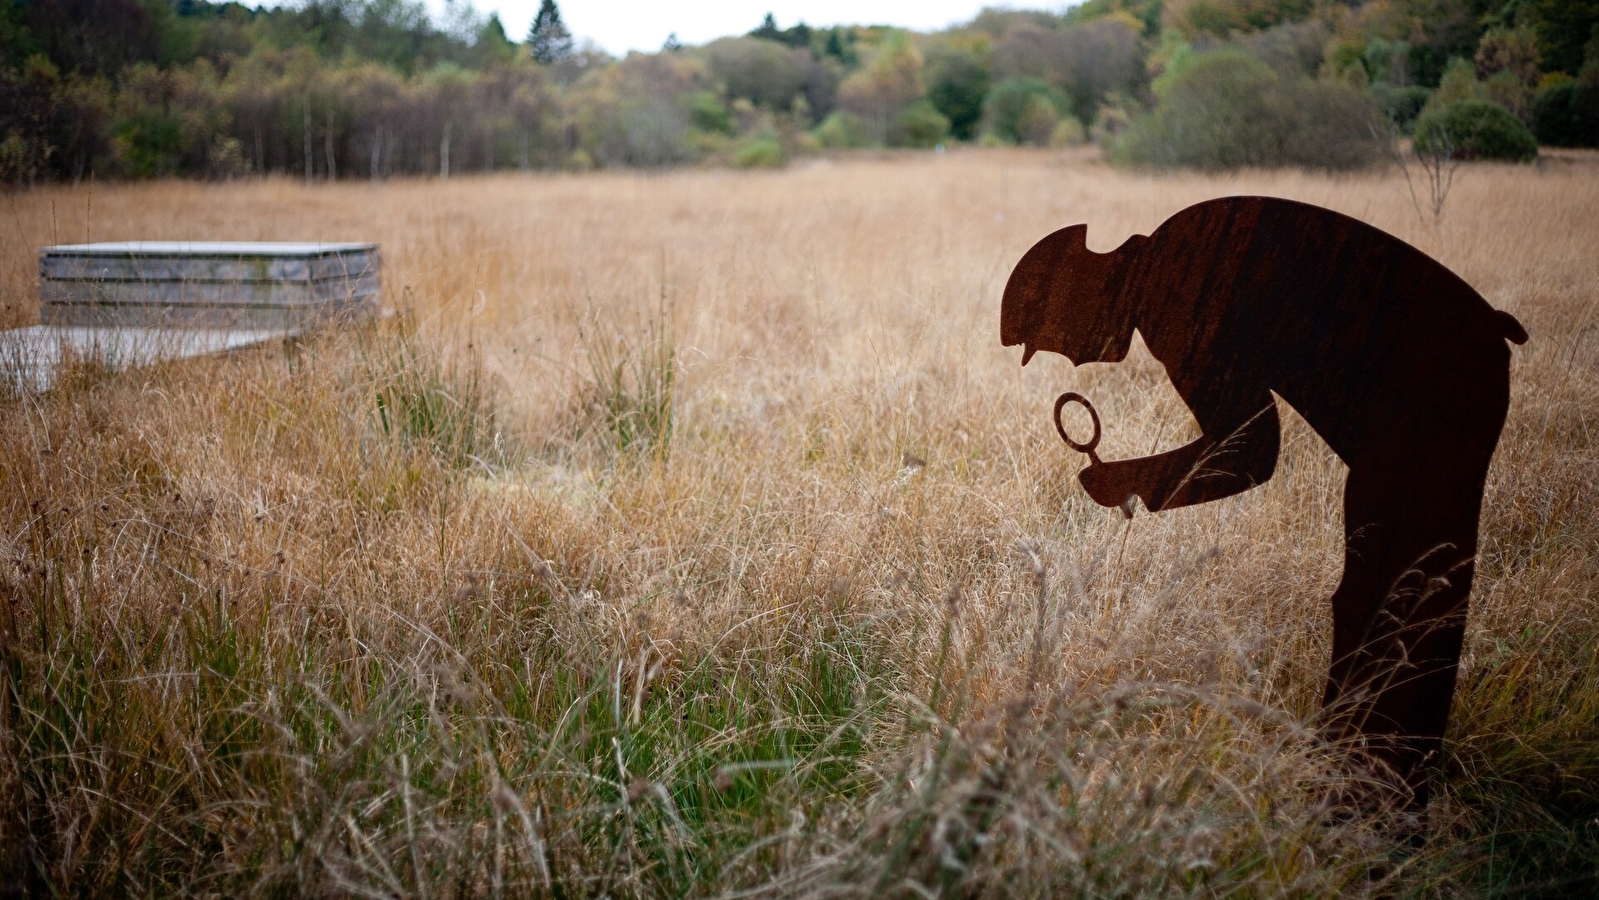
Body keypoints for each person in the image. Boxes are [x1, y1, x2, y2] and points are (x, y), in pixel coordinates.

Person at [1001, 196, 1527, 816]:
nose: (1073, 357)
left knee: (1401, 591)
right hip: (1447, 354)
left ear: (1078, 295)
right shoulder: (1178, 256)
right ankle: (1352, 785)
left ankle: (1375, 806)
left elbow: (1251, 449)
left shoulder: (1175, 293)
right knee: (1382, 588)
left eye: (1054, 339)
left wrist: (1137, 480)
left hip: (1437, 375)